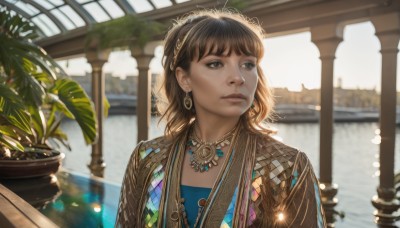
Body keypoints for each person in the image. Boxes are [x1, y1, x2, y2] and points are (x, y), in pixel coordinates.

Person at [116, 9, 326, 228]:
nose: (238, 78)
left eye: (248, 64)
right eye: (215, 63)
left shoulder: (287, 167)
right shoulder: (147, 159)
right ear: (184, 78)